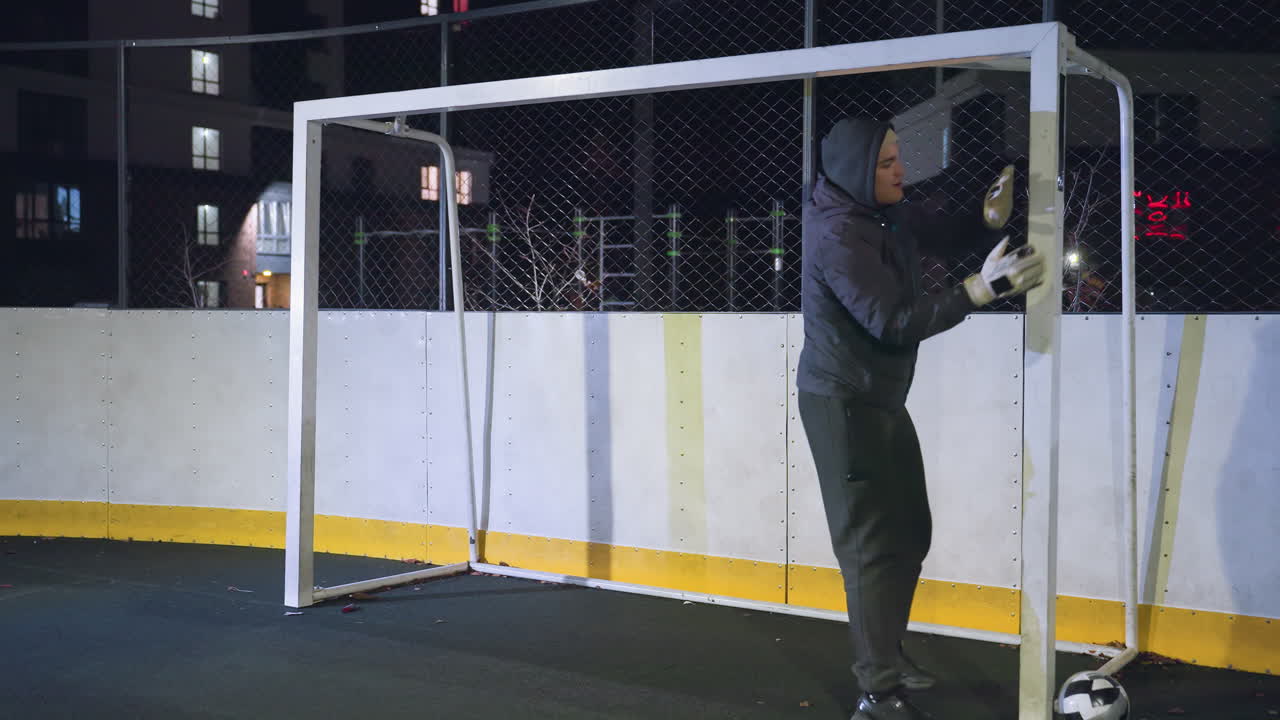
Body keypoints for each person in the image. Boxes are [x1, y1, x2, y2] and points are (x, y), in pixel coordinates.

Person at [796, 116, 1045, 720]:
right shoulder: (838, 234)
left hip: (878, 398)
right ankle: (876, 692)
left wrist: (990, 216)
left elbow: (942, 229)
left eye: (898, 156)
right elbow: (893, 321)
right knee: (870, 547)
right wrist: (979, 292)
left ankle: (887, 652)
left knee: (910, 533)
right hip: (843, 405)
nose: (900, 169)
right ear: (858, 172)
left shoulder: (882, 213)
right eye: (886, 163)